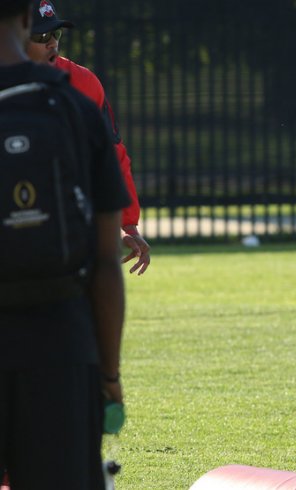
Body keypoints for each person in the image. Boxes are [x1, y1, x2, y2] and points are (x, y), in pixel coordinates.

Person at [0, 0, 129, 487]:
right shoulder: (75, 107)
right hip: (60, 347)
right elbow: (104, 264)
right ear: (24, 20)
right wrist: (109, 378)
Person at [26, 0, 150, 275]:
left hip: (66, 232)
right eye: (41, 36)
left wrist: (127, 224)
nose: (52, 43)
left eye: (55, 34)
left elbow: (113, 155)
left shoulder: (83, 82)